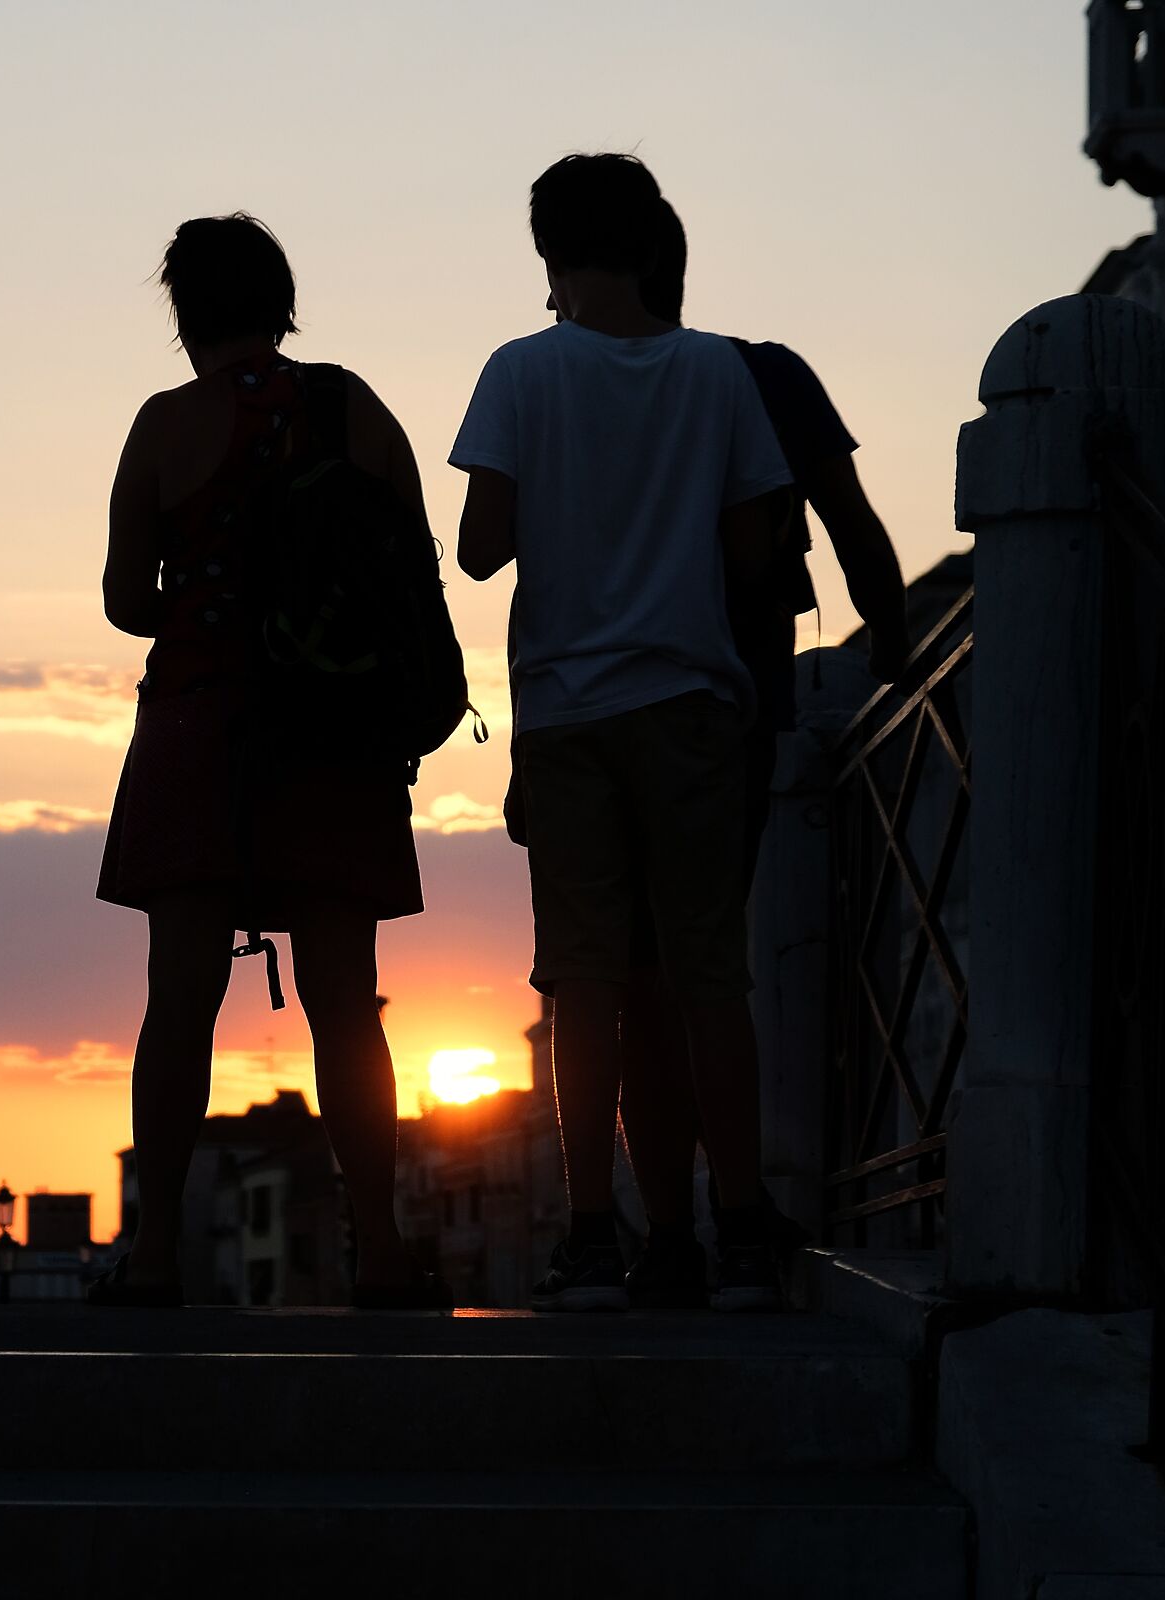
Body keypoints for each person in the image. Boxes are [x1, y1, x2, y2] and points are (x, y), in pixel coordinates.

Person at [450, 154, 794, 1313]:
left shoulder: (518, 371)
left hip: (568, 711)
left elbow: (480, 546)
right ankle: (738, 1219)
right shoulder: (716, 372)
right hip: (693, 702)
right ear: (651, 246)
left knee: (583, 980)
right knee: (709, 975)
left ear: (545, 252)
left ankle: (593, 1229)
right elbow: (755, 557)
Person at [92, 214, 436, 1309]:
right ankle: (378, 1246)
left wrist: (204, 600)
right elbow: (412, 575)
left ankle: (151, 1261)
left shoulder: (164, 425)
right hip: (334, 734)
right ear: (282, 302)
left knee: (180, 998)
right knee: (347, 999)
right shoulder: (354, 409)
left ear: (184, 312)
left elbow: (122, 599)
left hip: (199, 723)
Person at [611, 206, 913, 1308]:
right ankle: (729, 1214)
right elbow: (851, 523)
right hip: (730, 705)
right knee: (700, 969)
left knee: (645, 978)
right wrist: (903, 661)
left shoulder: (579, 388)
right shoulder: (764, 374)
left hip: (610, 714)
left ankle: (665, 1232)